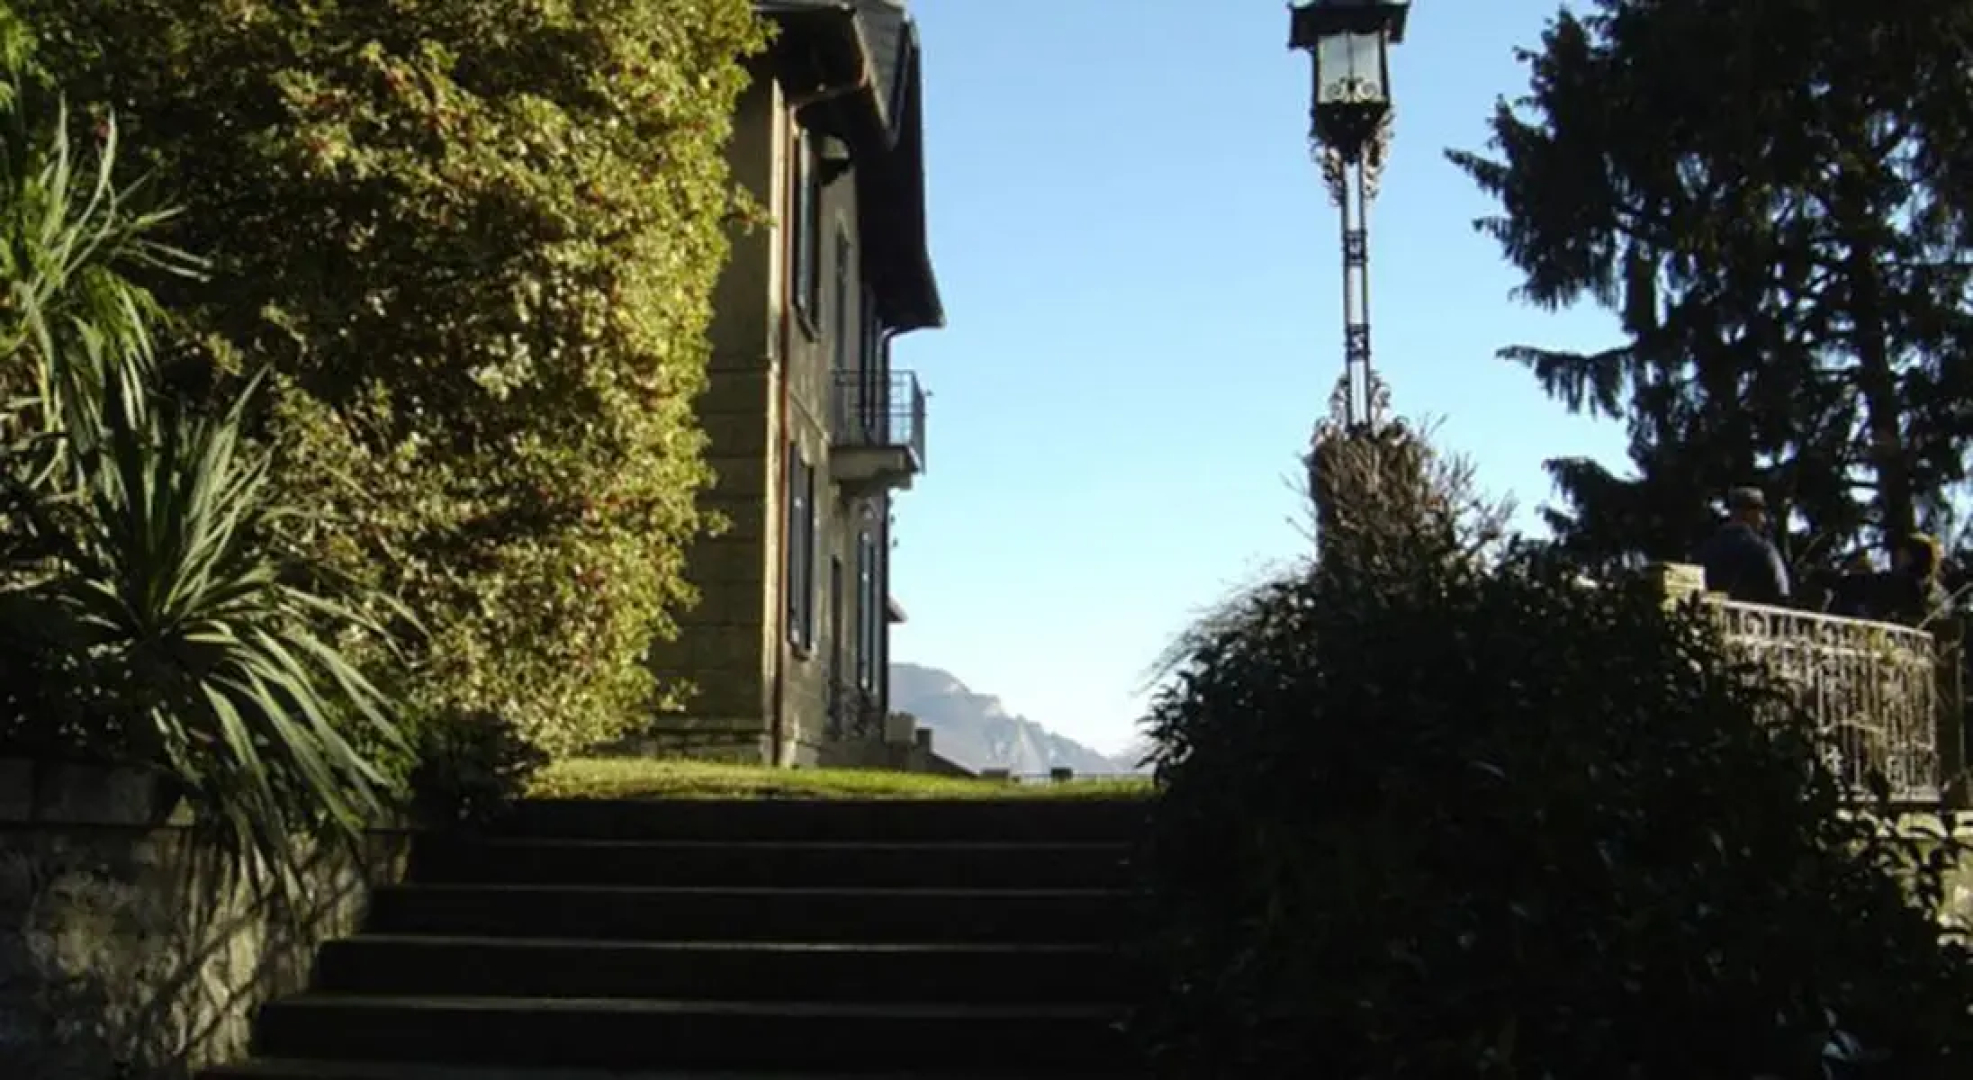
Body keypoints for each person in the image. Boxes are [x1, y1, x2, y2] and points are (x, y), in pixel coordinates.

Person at [1696, 487, 1790, 604]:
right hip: (1754, 619)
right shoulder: (1764, 550)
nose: (1764, 520)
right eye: (1761, 513)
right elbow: (1781, 592)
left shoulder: (1706, 549)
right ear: (1752, 513)